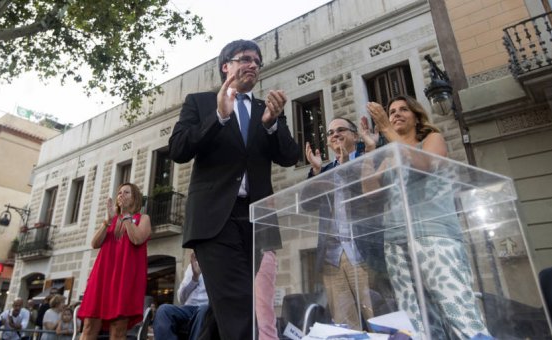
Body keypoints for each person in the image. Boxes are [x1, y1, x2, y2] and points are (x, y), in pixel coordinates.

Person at [168, 39, 300, 339]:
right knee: (240, 304)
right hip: (215, 220)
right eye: (245, 58)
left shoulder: (266, 108)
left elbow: (290, 156)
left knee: (222, 312)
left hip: (258, 220)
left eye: (257, 60)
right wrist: (219, 117)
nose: (253, 64)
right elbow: (178, 150)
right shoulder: (200, 102)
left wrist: (271, 125)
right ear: (226, 66)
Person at [362, 95, 490, 339]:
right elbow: (369, 192)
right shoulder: (389, 157)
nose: (396, 114)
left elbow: (425, 164)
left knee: (458, 310)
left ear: (417, 116)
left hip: (434, 234)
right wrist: (369, 149)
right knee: (416, 318)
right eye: (391, 112)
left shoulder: (432, 139)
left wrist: (387, 129)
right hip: (396, 240)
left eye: (403, 110)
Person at [303, 117, 383, 329]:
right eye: (330, 133)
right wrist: (316, 173)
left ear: (355, 136)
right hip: (332, 258)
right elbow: (306, 204)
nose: (335, 134)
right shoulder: (325, 170)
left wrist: (347, 163)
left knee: (378, 317)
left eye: (341, 130)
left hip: (362, 253)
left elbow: (372, 195)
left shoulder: (369, 159)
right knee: (345, 323)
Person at [77, 182, 152, 340]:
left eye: (126, 193)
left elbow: (137, 239)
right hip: (102, 277)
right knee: (89, 327)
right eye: (119, 193)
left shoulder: (143, 218)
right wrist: (107, 221)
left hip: (124, 279)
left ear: (135, 198)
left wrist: (126, 216)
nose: (121, 195)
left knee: (118, 331)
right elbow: (94, 243)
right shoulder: (111, 220)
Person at [154, 252, 209, 340]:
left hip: (206, 309)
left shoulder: (220, 267)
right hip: (187, 309)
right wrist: (195, 278)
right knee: (163, 310)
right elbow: (181, 299)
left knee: (204, 310)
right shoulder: (192, 266)